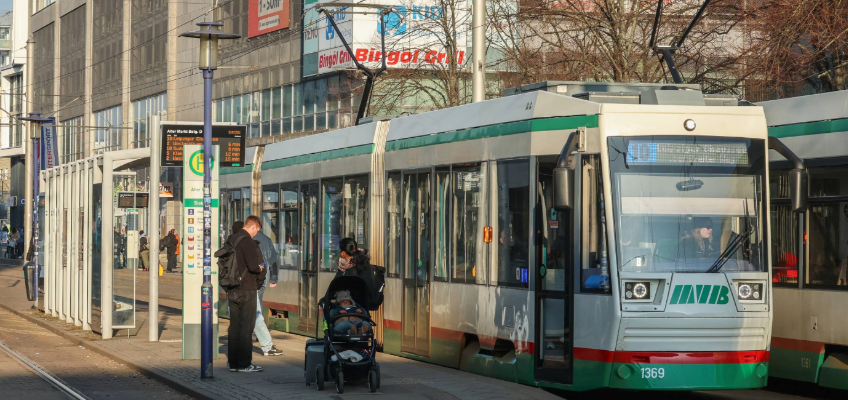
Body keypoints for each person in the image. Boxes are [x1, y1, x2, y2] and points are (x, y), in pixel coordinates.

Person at [226, 215, 266, 373]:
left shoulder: (231, 239)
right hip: (246, 289)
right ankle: (244, 364)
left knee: (234, 326)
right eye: (257, 231)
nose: (256, 234)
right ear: (253, 227)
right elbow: (253, 266)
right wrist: (260, 268)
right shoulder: (247, 241)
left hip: (232, 288)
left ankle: (233, 363)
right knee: (246, 327)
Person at [252, 225, 282, 357]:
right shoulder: (266, 240)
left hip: (247, 281)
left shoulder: (244, 239)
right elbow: (273, 260)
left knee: (254, 310)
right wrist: (273, 278)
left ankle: (260, 337)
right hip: (262, 279)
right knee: (258, 307)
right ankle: (262, 337)